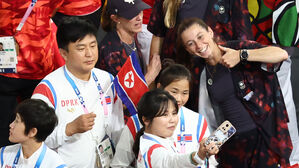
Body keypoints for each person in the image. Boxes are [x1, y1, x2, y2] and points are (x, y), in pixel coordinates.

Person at [176, 17, 292, 167]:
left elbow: (281, 54)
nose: (198, 45)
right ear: (187, 49)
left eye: (200, 36)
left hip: (262, 138)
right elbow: (206, 113)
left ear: (210, 32)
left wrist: (241, 55)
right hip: (232, 145)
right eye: (190, 43)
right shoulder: (199, 71)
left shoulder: (237, 48)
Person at [31, 17, 124, 168]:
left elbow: (116, 125)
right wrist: (70, 129)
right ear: (63, 53)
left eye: (93, 46)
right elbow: (35, 138)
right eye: (81, 49)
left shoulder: (107, 79)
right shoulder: (48, 88)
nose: (90, 54)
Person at [147, 0, 254, 111]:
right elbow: (158, 34)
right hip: (179, 78)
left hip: (221, 74)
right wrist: (152, 80)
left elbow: (244, 37)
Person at [111, 63, 217, 167]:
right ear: (160, 87)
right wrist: (197, 157)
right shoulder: (138, 124)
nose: (179, 99)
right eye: (174, 92)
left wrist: (204, 154)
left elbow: (210, 163)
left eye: (185, 93)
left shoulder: (197, 120)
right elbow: (119, 164)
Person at [0, 0, 64, 148]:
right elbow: (54, 11)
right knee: (36, 124)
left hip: (8, 69)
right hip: (39, 64)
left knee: (4, 125)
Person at [132, 89, 219, 168]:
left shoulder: (154, 140)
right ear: (146, 120)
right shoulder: (153, 150)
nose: (172, 120)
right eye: (165, 115)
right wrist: (198, 156)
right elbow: (173, 161)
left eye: (174, 113)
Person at [97, 0, 161, 86]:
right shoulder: (110, 51)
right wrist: (150, 76)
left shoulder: (131, 35)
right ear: (115, 18)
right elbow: (122, 95)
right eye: (132, 15)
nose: (139, 18)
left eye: (140, 11)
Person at [0, 99, 66, 168]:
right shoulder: (4, 154)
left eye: (17, 121)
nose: (11, 125)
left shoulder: (55, 165)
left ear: (32, 132)